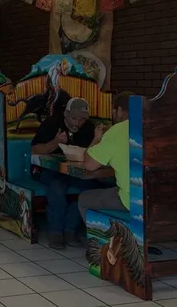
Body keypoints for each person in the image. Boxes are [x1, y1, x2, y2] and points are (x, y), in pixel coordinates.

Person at [30, 97, 101, 249]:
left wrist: (96, 140)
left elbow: (92, 155)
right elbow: (35, 150)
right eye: (74, 118)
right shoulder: (51, 124)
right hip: (46, 170)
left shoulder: (89, 128)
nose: (77, 123)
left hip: (74, 172)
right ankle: (56, 233)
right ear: (66, 114)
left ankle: (70, 230)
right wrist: (55, 142)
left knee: (92, 188)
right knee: (58, 188)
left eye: (82, 120)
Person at [78, 92, 133, 221]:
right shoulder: (150, 126)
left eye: (113, 112)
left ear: (119, 111)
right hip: (155, 196)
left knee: (84, 198)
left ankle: (101, 233)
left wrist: (96, 139)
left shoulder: (117, 130)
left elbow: (89, 165)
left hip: (130, 199)